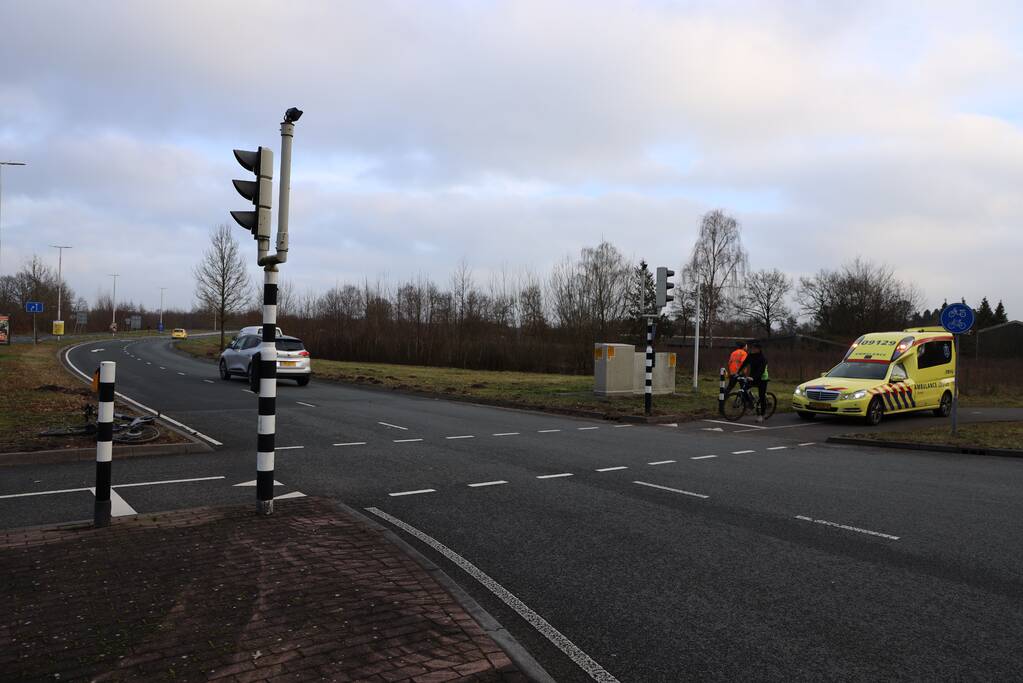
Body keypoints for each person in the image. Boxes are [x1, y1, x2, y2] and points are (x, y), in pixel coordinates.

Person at [737, 341, 770, 422]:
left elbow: (761, 371)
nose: (752, 349)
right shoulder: (750, 356)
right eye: (752, 348)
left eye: (754, 348)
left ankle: (761, 415)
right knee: (744, 389)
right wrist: (738, 372)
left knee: (761, 396)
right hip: (752, 377)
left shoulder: (763, 359)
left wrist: (753, 377)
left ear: (758, 349)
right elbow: (744, 363)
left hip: (762, 378)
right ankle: (750, 404)